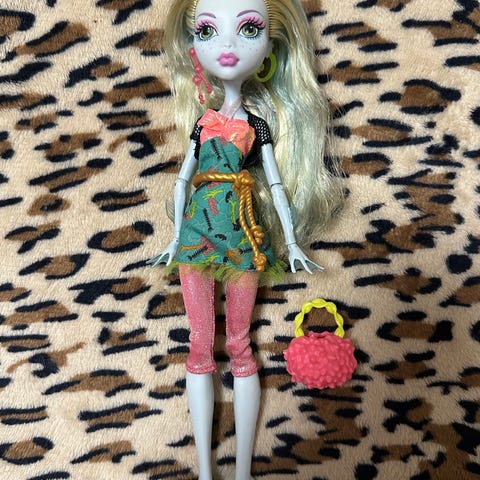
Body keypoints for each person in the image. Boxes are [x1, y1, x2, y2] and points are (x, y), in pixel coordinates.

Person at [150, 0, 343, 478]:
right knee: (200, 342)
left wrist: (292, 241)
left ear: (271, 48)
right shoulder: (202, 123)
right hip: (196, 235)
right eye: (208, 31)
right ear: (194, 46)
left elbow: (275, 183)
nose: (227, 44)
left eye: (249, 29)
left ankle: (240, 471)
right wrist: (175, 236)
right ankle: (205, 469)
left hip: (241, 234)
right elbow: (182, 179)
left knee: (239, 343)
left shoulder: (256, 126)